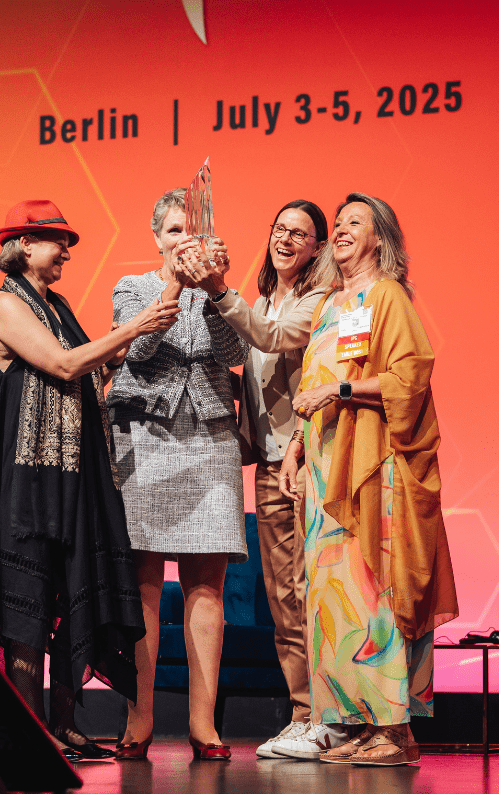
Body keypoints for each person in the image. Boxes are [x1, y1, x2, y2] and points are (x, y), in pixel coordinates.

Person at [0, 200, 181, 762]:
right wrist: (133, 327)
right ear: (24, 246)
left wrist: (166, 295)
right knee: (28, 597)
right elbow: (62, 364)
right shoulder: (5, 306)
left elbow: (99, 361)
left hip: (71, 476)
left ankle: (65, 724)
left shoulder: (56, 306)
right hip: (27, 481)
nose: (67, 253)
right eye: (58, 242)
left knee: (65, 592)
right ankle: (32, 730)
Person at [275, 192, 458, 765]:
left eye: (357, 222)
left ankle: (395, 730)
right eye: (342, 223)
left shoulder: (387, 297)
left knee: (375, 588)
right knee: (334, 599)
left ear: (380, 237)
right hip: (327, 470)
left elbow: (410, 375)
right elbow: (315, 377)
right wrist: (296, 450)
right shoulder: (331, 304)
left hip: (374, 468)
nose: (345, 230)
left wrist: (343, 391)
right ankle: (353, 724)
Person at [181, 200, 331, 758]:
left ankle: (328, 712)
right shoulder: (265, 299)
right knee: (283, 597)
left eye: (302, 233)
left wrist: (219, 290)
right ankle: (302, 714)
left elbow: (270, 338)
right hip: (269, 465)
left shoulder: (318, 300)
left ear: (317, 248)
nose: (287, 239)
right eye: (280, 229)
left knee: (313, 592)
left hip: (309, 462)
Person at [107, 188, 249, 760]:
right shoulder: (133, 288)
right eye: (172, 232)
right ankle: (138, 719)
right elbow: (134, 352)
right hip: (145, 439)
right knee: (142, 584)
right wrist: (175, 287)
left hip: (210, 441)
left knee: (205, 585)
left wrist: (215, 290)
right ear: (156, 237)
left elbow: (234, 351)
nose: (181, 242)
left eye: (190, 233)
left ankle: (203, 724)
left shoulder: (221, 291)